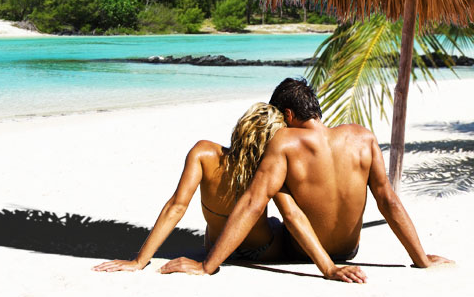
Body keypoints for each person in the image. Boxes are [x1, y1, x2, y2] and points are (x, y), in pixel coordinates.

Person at [160, 77, 453, 283]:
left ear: (287, 114)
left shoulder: (286, 142)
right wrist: (421, 259)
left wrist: (207, 266)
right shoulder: (363, 138)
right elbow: (388, 201)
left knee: (273, 209)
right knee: (282, 197)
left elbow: (252, 202)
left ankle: (214, 249)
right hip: (350, 251)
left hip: (301, 252)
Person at [93, 102, 324, 271]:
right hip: (263, 251)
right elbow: (291, 214)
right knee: (276, 223)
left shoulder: (203, 153)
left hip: (213, 247)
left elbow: (176, 207)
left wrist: (139, 261)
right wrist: (328, 268)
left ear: (241, 127)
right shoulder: (268, 168)